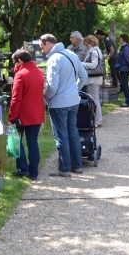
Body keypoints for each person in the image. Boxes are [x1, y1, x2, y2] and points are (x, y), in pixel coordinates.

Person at [40, 33, 87, 177]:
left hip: (59, 103)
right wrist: (74, 90)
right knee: (73, 132)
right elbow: (84, 76)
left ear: (48, 43)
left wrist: (45, 98)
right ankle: (77, 165)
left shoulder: (54, 59)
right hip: (73, 101)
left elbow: (52, 87)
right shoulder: (71, 54)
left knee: (61, 135)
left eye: (42, 46)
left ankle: (64, 168)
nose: (42, 50)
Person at [8, 49, 45, 181]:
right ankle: (34, 173)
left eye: (15, 62)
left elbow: (16, 98)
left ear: (20, 61)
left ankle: (23, 169)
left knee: (16, 141)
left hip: (21, 115)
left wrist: (12, 116)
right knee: (33, 142)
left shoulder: (21, 74)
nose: (14, 65)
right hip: (36, 113)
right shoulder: (40, 72)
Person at [81, 35, 105, 127]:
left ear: (91, 43)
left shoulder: (94, 52)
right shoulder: (96, 51)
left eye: (87, 44)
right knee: (95, 98)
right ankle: (97, 119)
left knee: (94, 99)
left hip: (93, 79)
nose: (86, 46)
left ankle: (97, 120)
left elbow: (94, 65)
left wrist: (82, 64)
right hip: (94, 79)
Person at [115, 33, 129, 107]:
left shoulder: (126, 48)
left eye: (120, 39)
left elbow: (128, 59)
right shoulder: (124, 47)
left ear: (124, 39)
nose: (119, 40)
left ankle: (128, 101)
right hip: (123, 68)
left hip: (125, 68)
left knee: (125, 85)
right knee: (124, 84)